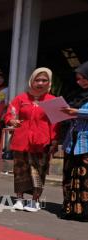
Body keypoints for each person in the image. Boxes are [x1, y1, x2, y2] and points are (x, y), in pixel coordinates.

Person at [5, 67, 58, 212]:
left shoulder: (53, 101)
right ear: (31, 81)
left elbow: (56, 123)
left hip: (42, 142)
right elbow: (10, 114)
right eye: (37, 80)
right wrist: (11, 121)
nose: (40, 83)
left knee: (38, 171)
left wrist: (54, 141)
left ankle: (35, 200)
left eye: (44, 80)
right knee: (20, 170)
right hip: (21, 140)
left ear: (49, 82)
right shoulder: (20, 98)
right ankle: (19, 198)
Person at [60, 61, 88, 220]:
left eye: (84, 78)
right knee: (70, 176)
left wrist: (76, 112)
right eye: (78, 79)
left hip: (86, 143)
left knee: (85, 178)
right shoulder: (75, 94)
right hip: (72, 141)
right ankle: (70, 209)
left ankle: (84, 212)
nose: (80, 82)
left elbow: (79, 112)